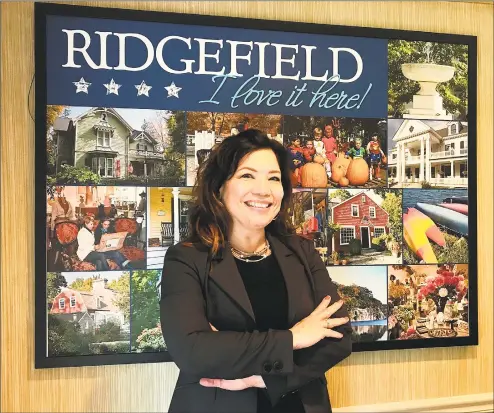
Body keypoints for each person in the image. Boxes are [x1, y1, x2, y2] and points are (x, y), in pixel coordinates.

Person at [160, 129, 352, 413]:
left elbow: (339, 338)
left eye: (273, 178)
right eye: (247, 175)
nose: (263, 190)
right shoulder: (186, 259)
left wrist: (263, 378)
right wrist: (294, 338)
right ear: (219, 187)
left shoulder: (302, 251)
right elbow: (192, 352)